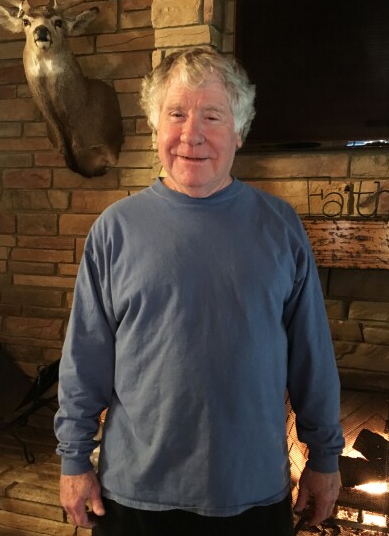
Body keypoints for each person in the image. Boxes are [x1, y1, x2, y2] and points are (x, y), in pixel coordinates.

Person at [54, 47, 344, 536]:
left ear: (240, 130)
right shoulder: (114, 230)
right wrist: (73, 459)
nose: (192, 134)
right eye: (176, 114)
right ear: (154, 126)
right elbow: (84, 359)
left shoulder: (280, 227)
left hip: (253, 496)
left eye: (212, 115)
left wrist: (325, 456)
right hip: (133, 500)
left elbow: (312, 355)